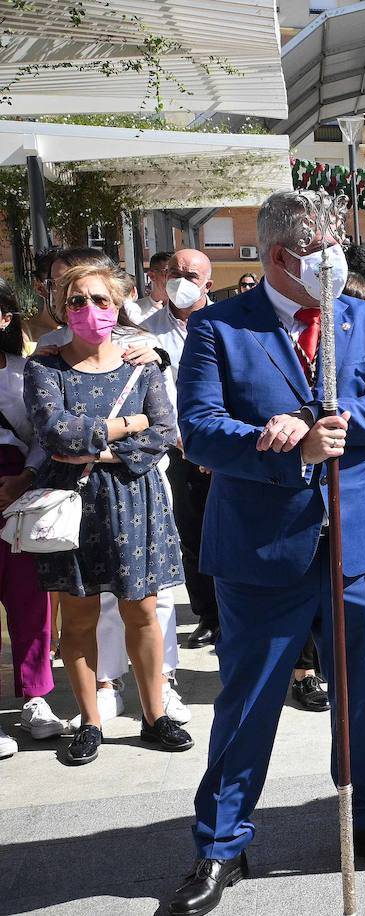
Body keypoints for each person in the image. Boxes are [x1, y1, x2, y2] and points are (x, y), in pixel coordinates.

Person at [169, 190, 365, 916]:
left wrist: (327, 422)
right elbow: (200, 427)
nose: (336, 261)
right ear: (281, 257)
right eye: (323, 249)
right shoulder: (220, 327)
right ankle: (220, 844)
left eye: (340, 244)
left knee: (363, 697)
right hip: (262, 548)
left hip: (355, 542)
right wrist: (271, 442)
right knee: (247, 703)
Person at [24, 262, 192, 765]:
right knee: (77, 618)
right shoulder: (44, 368)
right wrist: (126, 424)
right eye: (78, 300)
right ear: (63, 307)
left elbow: (162, 431)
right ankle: (91, 720)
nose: (90, 310)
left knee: (142, 611)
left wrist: (94, 447)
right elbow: (56, 435)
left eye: (101, 300)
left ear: (119, 305)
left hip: (134, 502)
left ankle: (154, 713)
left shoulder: (143, 364)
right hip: (74, 506)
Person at [0, 279, 62, 759]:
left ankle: (36, 697)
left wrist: (23, 479)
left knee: (31, 599)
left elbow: (45, 433)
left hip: (19, 491)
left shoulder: (27, 371)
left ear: (5, 317)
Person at [152, 249, 220, 651]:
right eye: (173, 272)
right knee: (191, 534)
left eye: (189, 274)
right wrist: (183, 439)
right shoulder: (144, 331)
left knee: (232, 529)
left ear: (207, 284)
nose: (179, 280)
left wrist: (214, 442)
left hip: (225, 448)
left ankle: (234, 610)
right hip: (177, 450)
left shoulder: (228, 323)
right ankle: (208, 615)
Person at [128, 251, 172, 324]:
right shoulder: (135, 311)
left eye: (177, 274)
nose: (174, 278)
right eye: (168, 272)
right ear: (152, 275)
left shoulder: (187, 310)